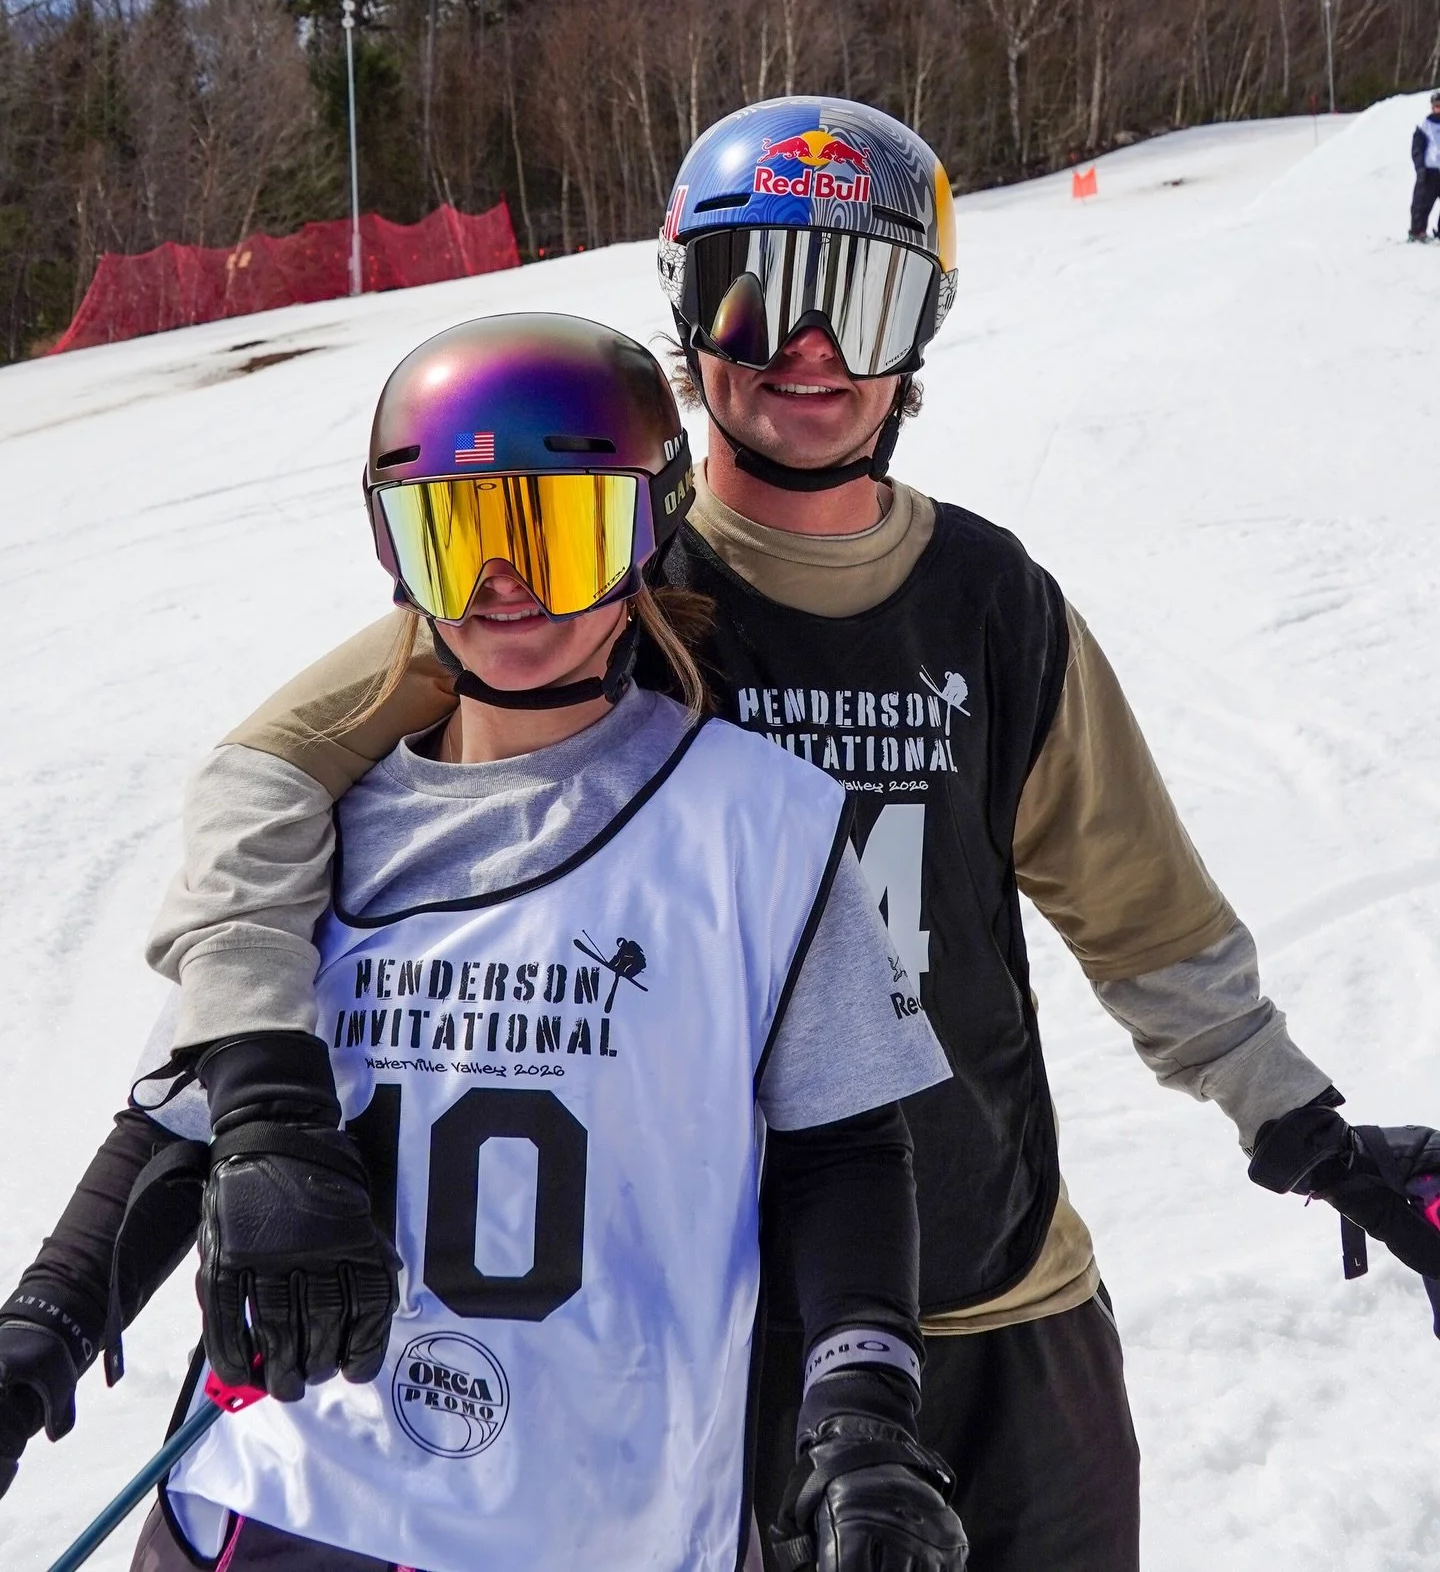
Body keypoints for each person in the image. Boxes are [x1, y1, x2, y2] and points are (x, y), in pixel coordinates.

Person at [78, 99, 1440, 1570]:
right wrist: (265, 1102)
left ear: (922, 330)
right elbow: (263, 782)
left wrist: (1303, 1126)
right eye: (755, 296)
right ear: (686, 311)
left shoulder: (993, 601)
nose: (808, 349)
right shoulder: (595, 574)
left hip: (1002, 1292)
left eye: (864, 300)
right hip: (734, 1332)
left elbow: (1147, 917)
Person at [0, 312, 972, 1572]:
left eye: (557, 535)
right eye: (456, 538)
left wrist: (863, 1419)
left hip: (591, 1519)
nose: (503, 587)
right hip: (279, 1501)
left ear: (648, 529)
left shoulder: (756, 824)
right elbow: (178, 1127)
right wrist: (39, 1337)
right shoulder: (321, 832)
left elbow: (843, 1149)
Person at [1410, 90, 1440, 241]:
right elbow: (1417, 149)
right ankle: (1418, 231)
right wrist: (1420, 168)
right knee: (1422, 203)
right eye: (1437, 106)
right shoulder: (1425, 125)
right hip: (1430, 171)